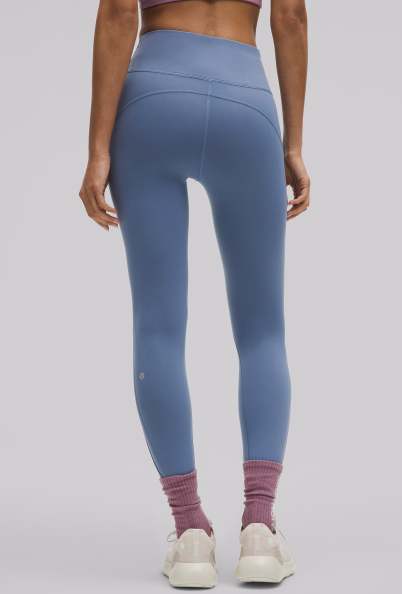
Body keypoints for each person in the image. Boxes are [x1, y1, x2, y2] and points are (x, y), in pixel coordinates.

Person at [79, 0, 309, 587]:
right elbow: (289, 18)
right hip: (245, 105)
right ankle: (259, 527)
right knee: (262, 329)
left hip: (152, 101)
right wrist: (292, 146)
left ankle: (189, 536)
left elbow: (117, 15)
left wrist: (99, 149)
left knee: (157, 326)